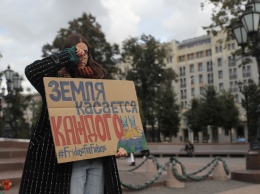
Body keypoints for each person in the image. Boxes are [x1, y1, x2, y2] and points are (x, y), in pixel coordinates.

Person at [19, 33, 127, 194]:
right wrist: (67, 57)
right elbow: (31, 70)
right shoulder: (54, 81)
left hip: (98, 158)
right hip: (69, 160)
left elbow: (111, 118)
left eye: (85, 51)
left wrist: (120, 144)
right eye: (77, 51)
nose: (82, 55)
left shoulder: (98, 81)